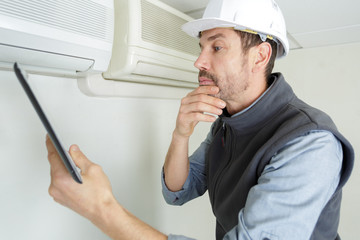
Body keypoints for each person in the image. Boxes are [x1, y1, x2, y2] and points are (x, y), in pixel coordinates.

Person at [46, 0, 354, 239]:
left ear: (260, 57)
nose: (199, 61)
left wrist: (102, 210)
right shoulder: (226, 121)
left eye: (216, 47)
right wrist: (181, 133)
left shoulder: (310, 143)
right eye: (202, 47)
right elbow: (179, 190)